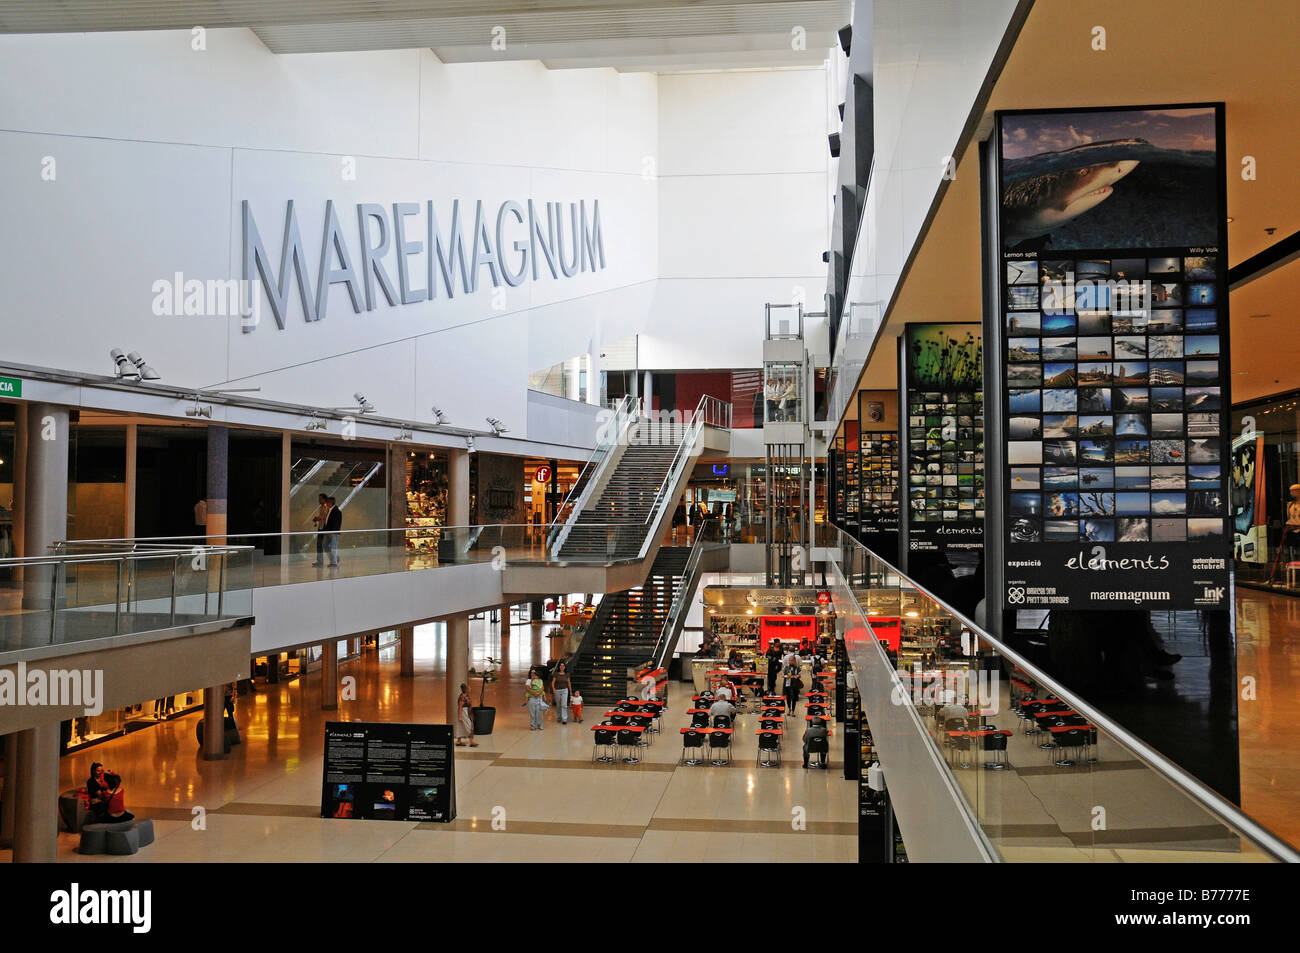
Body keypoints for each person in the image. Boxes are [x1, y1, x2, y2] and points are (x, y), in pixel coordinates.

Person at [455, 682, 477, 747]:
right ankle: (471, 741)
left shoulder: (466, 695)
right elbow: (460, 707)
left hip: (467, 712)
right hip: (464, 712)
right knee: (469, 726)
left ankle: (459, 741)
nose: (470, 688)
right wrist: (460, 716)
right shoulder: (462, 697)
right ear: (466, 689)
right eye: (469, 688)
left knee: (461, 727)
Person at [525, 666, 546, 731]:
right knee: (532, 713)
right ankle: (533, 726)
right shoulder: (528, 680)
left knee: (539, 713)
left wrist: (539, 694)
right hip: (532, 698)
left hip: (539, 698)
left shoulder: (540, 680)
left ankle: (540, 725)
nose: (533, 674)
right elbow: (527, 689)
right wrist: (534, 694)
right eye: (532, 673)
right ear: (530, 673)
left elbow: (542, 688)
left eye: (534, 673)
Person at [310, 493, 329, 566]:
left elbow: (327, 517)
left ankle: (334, 558)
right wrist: (317, 518)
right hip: (320, 527)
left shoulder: (327, 507)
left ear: (324, 499)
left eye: (320, 499)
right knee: (319, 544)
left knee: (324, 545)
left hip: (325, 527)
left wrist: (319, 518)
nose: (319, 500)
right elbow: (321, 516)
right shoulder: (321, 507)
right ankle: (320, 561)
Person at [323, 496, 343, 567]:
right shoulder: (329, 510)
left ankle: (334, 563)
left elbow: (337, 523)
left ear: (330, 502)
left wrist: (333, 532)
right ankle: (335, 558)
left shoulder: (337, 511)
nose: (326, 504)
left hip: (332, 532)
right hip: (327, 532)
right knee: (325, 545)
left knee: (334, 547)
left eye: (327, 502)